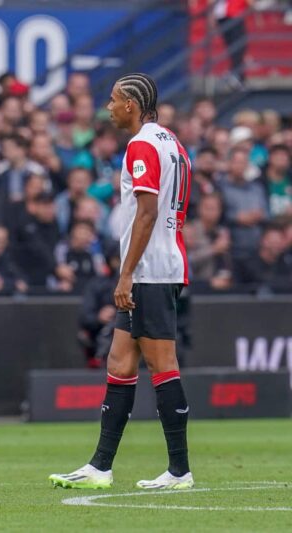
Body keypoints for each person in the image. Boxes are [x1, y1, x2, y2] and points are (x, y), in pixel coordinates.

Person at [50, 73, 194, 490]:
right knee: (119, 361)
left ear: (131, 104)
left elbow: (147, 213)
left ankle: (180, 470)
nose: (107, 107)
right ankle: (100, 466)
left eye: (113, 100)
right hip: (162, 260)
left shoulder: (142, 144)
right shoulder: (171, 141)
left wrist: (126, 273)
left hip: (150, 270)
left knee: (163, 365)